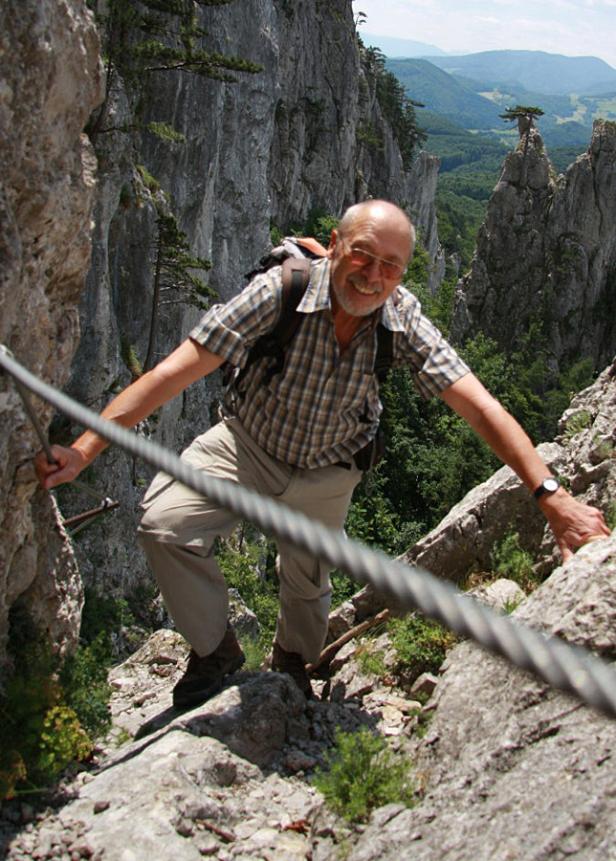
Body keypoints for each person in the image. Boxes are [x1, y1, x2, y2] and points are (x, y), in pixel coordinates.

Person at [36, 200, 610, 708]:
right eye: (363, 255)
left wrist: (551, 498)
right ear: (334, 246)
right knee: (164, 526)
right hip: (246, 446)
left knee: (307, 588)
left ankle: (293, 663)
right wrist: (85, 449)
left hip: (330, 470)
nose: (374, 276)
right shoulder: (279, 292)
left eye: (392, 266)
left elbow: (482, 407)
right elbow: (172, 372)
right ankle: (216, 651)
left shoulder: (400, 318)